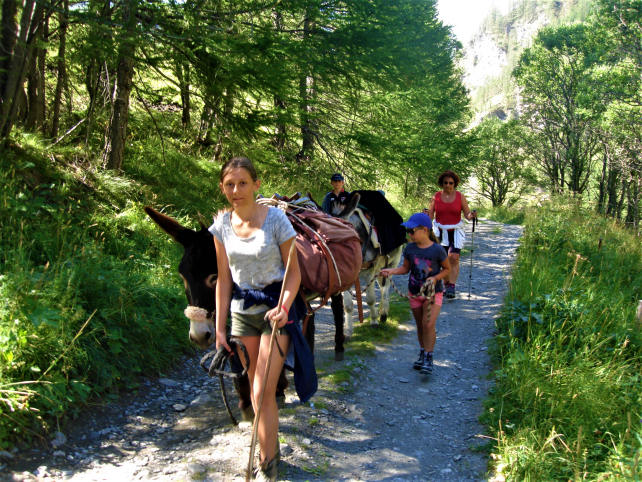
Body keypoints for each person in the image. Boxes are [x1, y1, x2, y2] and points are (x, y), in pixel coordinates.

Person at [210, 156, 306, 481]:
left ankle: (267, 463)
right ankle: (272, 448)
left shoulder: (277, 220)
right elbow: (224, 280)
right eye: (229, 184)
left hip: (275, 310)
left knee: (262, 389)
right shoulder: (221, 226)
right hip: (241, 313)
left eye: (242, 183)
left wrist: (284, 306)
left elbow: (294, 273)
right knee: (254, 387)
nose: (236, 190)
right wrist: (219, 327)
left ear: (256, 185)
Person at [380, 212, 450, 374]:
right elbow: (405, 268)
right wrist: (390, 271)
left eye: (412, 231)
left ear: (425, 230)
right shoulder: (410, 248)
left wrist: (435, 279)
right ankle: (422, 351)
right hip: (414, 293)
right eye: (408, 231)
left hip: (433, 293)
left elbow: (447, 269)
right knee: (420, 325)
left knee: (428, 324)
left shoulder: (437, 250)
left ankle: (429, 356)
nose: (409, 234)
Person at [427, 170, 476, 299]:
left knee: (453, 257)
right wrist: (425, 216)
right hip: (439, 231)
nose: (448, 185)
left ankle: (451, 286)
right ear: (441, 184)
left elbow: (467, 214)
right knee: (443, 259)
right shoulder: (436, 197)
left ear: (455, 184)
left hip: (455, 231)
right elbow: (430, 215)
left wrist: (472, 216)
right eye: (445, 183)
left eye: (451, 183)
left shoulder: (460, 197)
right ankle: (446, 283)